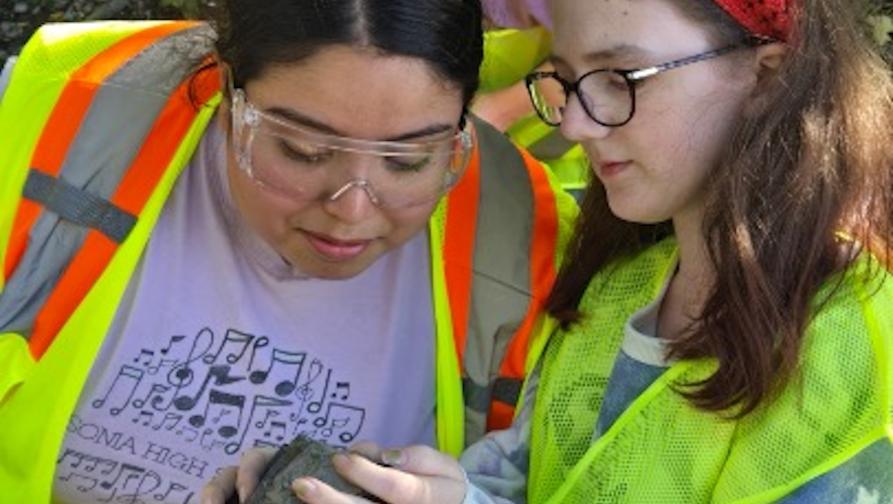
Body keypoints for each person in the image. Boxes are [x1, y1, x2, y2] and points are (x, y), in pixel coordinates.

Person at [203, 0, 893, 502]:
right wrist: (393, 489)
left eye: (621, 79)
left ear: (767, 75)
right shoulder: (617, 286)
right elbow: (529, 480)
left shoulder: (857, 342)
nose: (573, 120)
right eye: (564, 80)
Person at [0, 1, 579, 502]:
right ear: (229, 92)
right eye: (303, 150)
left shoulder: (532, 238)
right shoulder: (64, 100)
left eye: (408, 161)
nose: (352, 211)